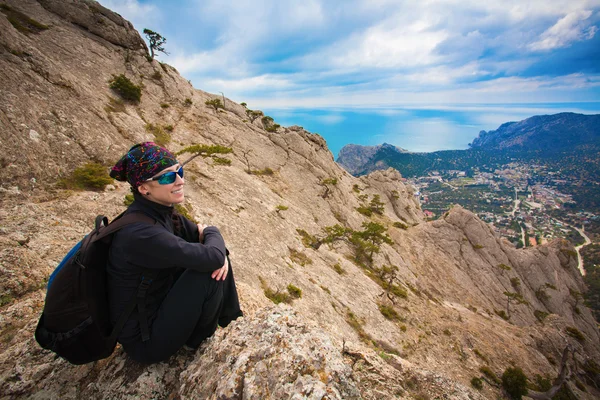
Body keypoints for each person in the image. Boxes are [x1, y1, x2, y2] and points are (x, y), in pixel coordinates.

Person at [107, 142, 242, 364]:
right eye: (168, 177)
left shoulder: (162, 214)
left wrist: (213, 245)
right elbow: (212, 251)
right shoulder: (141, 233)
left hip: (158, 311)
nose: (180, 181)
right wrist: (213, 233)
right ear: (143, 188)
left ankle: (233, 323)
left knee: (215, 259)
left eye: (179, 171)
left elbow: (210, 246)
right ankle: (198, 342)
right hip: (146, 343)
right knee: (207, 270)